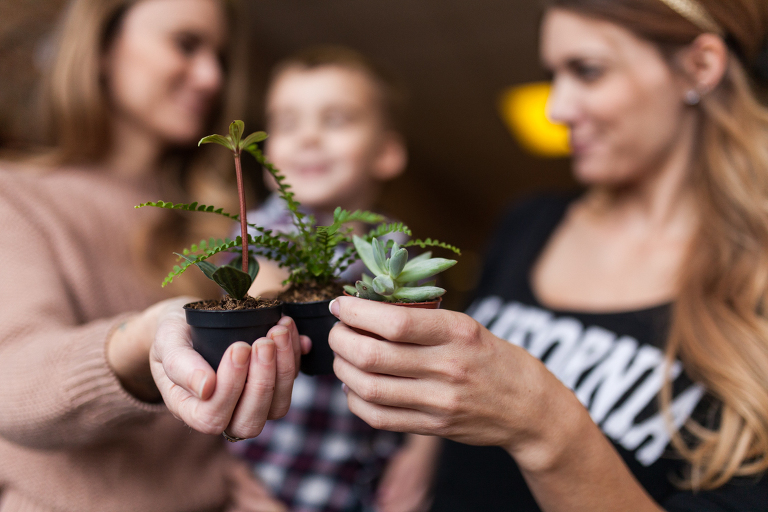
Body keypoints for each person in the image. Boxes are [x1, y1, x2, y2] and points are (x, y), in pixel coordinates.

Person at [327, 0, 768, 510]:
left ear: (701, 65)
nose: (556, 109)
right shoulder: (529, 223)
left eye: (588, 71)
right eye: (553, 75)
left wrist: (546, 425)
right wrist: (425, 449)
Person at [0, 1, 303, 511]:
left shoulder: (219, 223)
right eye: (185, 44)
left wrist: (229, 483)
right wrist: (144, 337)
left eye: (221, 57)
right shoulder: (16, 196)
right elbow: (13, 380)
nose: (210, 76)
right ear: (101, 47)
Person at [226, 46, 438, 512]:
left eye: (336, 119)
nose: (308, 138)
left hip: (368, 483)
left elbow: (429, 362)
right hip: (269, 479)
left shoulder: (398, 250)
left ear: (385, 153)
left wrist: (426, 448)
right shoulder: (256, 234)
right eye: (286, 123)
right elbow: (267, 297)